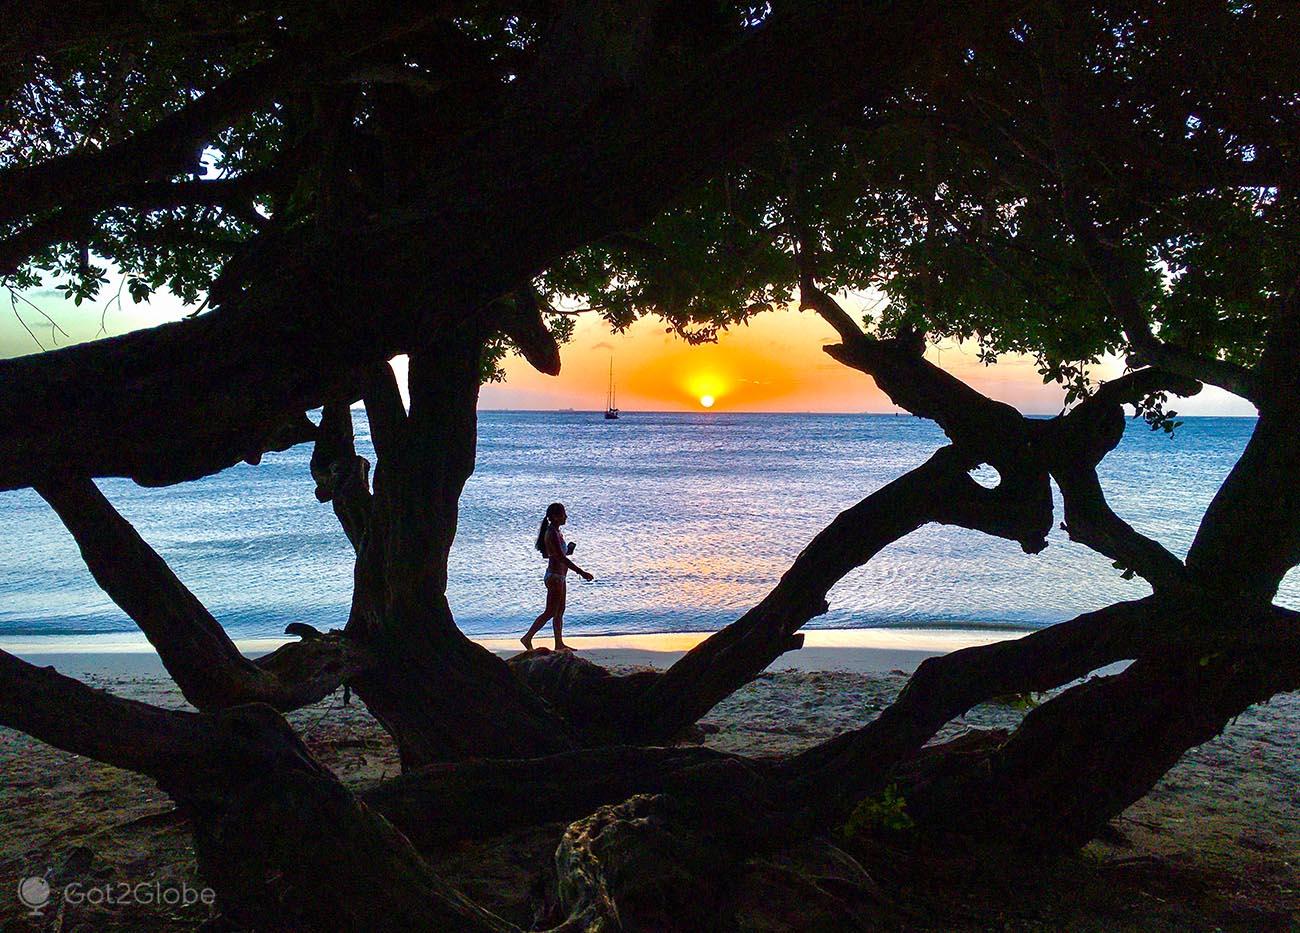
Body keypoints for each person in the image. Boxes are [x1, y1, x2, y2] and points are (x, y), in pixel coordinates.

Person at [522, 502, 593, 651]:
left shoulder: (557, 532)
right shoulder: (551, 533)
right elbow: (561, 558)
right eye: (563, 514)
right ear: (555, 516)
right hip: (554, 577)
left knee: (560, 611)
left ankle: (559, 643)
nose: (566, 517)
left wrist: (569, 550)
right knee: (550, 611)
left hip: (560, 577)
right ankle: (527, 637)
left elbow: (558, 555)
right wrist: (581, 572)